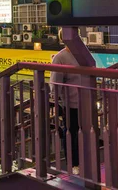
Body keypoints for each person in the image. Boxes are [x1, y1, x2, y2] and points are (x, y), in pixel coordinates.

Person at [50, 29, 81, 175]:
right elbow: (55, 84)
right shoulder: (60, 57)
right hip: (70, 104)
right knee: (71, 133)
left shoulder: (83, 54)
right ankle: (73, 164)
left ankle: (82, 161)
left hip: (85, 103)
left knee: (83, 133)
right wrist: (59, 104)